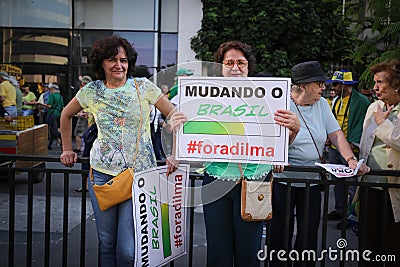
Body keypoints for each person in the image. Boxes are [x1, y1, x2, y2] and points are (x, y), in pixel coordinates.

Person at [59, 35, 177, 266]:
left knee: (127, 250)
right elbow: (65, 114)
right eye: (112, 60)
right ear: (101, 63)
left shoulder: (143, 87)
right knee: (107, 243)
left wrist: (175, 152)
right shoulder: (91, 91)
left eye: (123, 60)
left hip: (139, 176)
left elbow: (175, 115)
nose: (119, 65)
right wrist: (66, 149)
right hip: (102, 175)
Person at [182, 40, 299, 267]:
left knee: (249, 251)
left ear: (248, 67)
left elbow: (280, 145)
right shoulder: (204, 97)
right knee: (218, 251)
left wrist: (294, 130)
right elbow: (192, 143)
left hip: (255, 181)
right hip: (215, 179)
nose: (235, 68)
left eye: (241, 63)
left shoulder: (269, 97)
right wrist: (180, 128)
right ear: (220, 67)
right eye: (229, 62)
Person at [270, 61, 370, 267]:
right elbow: (273, 143)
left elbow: (335, 134)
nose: (324, 88)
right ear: (305, 86)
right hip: (282, 181)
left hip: (312, 181)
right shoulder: (280, 104)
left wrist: (350, 159)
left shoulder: (322, 104)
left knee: (308, 236)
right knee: (279, 235)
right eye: (320, 83)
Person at [358, 59, 400, 266]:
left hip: (394, 189)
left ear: (396, 85)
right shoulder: (374, 106)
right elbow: (365, 141)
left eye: (380, 82)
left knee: (393, 244)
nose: (375, 87)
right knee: (368, 242)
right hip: (369, 185)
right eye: (375, 82)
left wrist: (383, 125)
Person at [325, 70, 370, 230]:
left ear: (345, 85)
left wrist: (353, 142)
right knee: (337, 182)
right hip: (334, 147)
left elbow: (364, 123)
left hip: (350, 149)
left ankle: (351, 216)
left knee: (351, 184)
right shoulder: (336, 99)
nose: (333, 87)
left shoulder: (361, 101)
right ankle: (339, 210)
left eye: (336, 84)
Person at [39, 83, 64, 150]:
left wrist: (41, 104)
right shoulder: (60, 96)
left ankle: (62, 140)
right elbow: (62, 107)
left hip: (51, 113)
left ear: (53, 89)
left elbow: (49, 106)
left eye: (50, 89)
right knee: (52, 129)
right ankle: (49, 144)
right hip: (58, 114)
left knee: (54, 129)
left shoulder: (52, 96)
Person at [73, 75, 92, 153]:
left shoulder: (83, 91)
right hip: (90, 116)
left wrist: (80, 112)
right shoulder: (93, 91)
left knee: (79, 132)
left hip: (84, 115)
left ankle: (78, 148)